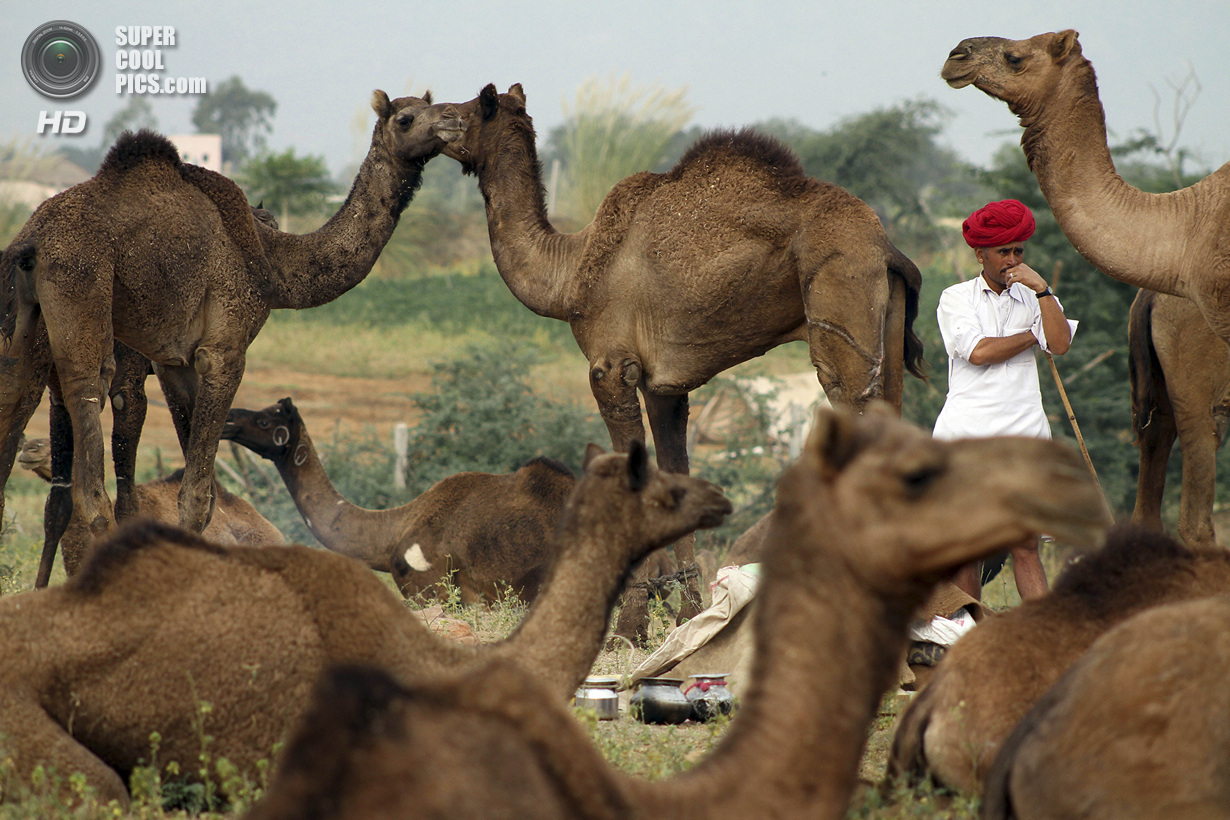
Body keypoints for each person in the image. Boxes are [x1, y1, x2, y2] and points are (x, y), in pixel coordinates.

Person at [934, 199, 1076, 601]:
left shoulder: (1035, 296)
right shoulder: (956, 298)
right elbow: (978, 352)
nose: (1012, 260)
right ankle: (969, 635)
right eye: (1003, 252)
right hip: (966, 434)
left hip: (1025, 433)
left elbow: (1061, 343)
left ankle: (1040, 636)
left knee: (1025, 545)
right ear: (980, 254)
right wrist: (1034, 335)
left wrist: (1043, 290)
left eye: (1018, 251)